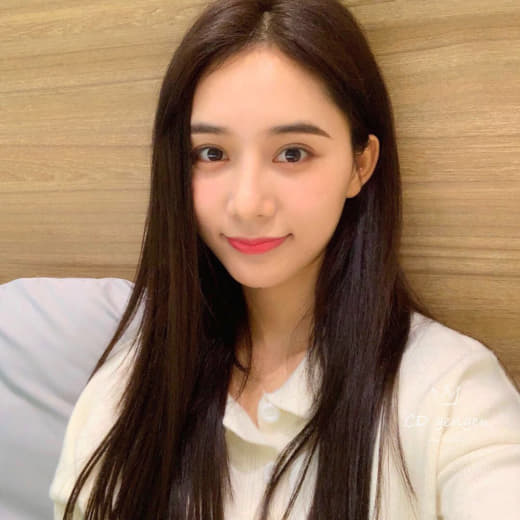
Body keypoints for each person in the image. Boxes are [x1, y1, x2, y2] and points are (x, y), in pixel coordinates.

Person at [49, 0, 520, 518]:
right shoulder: (126, 393)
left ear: (360, 165)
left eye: (292, 153)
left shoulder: (449, 393)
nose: (248, 204)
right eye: (211, 153)